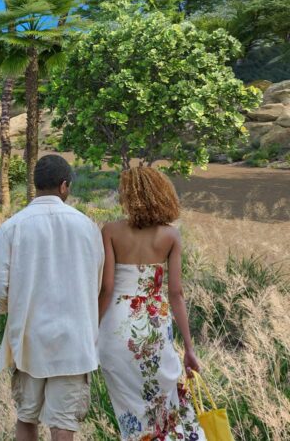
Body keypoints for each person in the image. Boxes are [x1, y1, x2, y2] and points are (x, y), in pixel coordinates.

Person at [0, 155, 103, 441]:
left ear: (35, 184)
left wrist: (8, 308)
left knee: (27, 418)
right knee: (64, 424)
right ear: (65, 186)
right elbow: (96, 279)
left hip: (29, 339)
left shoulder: (13, 226)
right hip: (75, 340)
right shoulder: (87, 227)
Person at [98, 167, 204, 441]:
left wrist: (90, 331)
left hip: (117, 326)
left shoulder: (110, 231)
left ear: (128, 195)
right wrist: (189, 348)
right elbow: (176, 293)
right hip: (155, 326)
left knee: (130, 410)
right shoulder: (170, 236)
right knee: (165, 405)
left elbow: (107, 288)